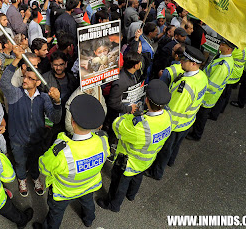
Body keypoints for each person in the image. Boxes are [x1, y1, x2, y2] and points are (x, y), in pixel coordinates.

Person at [33, 94, 109, 229]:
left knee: (56, 213)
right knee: (88, 204)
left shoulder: (61, 150)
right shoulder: (103, 140)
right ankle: (89, 220)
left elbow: (43, 167)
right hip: (88, 185)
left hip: (64, 192)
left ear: (72, 122)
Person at [97, 80, 172, 212]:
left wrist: (128, 115)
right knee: (137, 177)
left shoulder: (140, 126)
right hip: (147, 159)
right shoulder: (167, 116)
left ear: (147, 100)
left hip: (128, 162)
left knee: (118, 184)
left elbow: (117, 125)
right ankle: (131, 195)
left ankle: (113, 205)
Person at [0, 46, 62, 197]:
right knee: (20, 163)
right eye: (25, 77)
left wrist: (58, 102)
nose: (25, 80)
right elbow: (4, 83)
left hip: (36, 140)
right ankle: (21, 179)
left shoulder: (44, 98)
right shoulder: (16, 94)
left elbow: (55, 118)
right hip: (18, 140)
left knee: (34, 162)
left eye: (30, 78)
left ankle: (35, 178)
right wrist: (16, 59)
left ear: (38, 82)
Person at [147, 46, 208, 180]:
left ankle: (156, 173)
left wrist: (164, 126)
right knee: (175, 147)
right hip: (187, 121)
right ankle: (171, 161)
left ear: (193, 63)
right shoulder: (202, 76)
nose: (180, 61)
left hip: (175, 125)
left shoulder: (185, 86)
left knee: (165, 149)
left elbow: (172, 110)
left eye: (184, 60)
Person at [187, 38, 235, 141]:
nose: (220, 45)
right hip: (209, 95)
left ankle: (196, 135)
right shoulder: (224, 58)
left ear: (229, 49)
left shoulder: (223, 66)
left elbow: (212, 85)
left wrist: (199, 91)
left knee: (201, 117)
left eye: (223, 45)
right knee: (201, 116)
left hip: (207, 96)